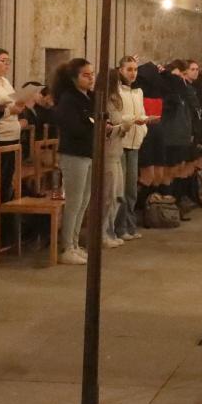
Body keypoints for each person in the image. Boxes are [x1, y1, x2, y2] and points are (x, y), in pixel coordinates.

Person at [49, 57, 99, 265]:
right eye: (85, 75)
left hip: (88, 152)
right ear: (73, 78)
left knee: (84, 201)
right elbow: (73, 127)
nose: (90, 78)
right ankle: (66, 246)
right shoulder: (69, 99)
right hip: (74, 154)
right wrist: (95, 127)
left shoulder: (89, 97)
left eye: (92, 74)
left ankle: (76, 243)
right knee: (74, 201)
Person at [109, 58, 149, 242]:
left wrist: (144, 124)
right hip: (121, 142)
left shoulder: (138, 92)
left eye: (135, 69)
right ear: (120, 70)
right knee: (121, 188)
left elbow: (140, 112)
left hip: (135, 143)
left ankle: (130, 225)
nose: (132, 73)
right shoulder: (116, 91)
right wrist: (133, 119)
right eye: (129, 69)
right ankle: (119, 227)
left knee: (131, 188)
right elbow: (117, 116)